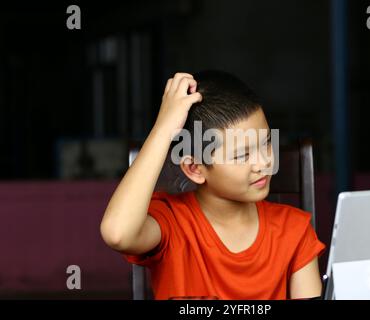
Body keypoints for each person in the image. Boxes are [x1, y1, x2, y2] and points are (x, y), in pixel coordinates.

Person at [100, 70, 325, 299]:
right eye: (242, 155)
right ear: (195, 168)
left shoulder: (294, 230)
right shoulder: (172, 223)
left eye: (267, 142)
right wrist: (163, 129)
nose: (264, 162)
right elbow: (118, 234)